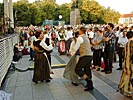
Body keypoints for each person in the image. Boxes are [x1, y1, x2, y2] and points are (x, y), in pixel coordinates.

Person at [73, 27, 93, 91]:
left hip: (85, 55)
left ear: (81, 31)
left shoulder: (80, 37)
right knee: (87, 69)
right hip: (89, 55)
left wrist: (72, 52)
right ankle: (90, 85)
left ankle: (88, 80)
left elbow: (76, 46)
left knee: (78, 69)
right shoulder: (86, 36)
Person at [117, 31, 133, 96]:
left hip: (126, 62)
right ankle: (127, 90)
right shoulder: (131, 43)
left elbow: (124, 54)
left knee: (126, 76)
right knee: (129, 77)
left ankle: (122, 87)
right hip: (130, 62)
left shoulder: (126, 43)